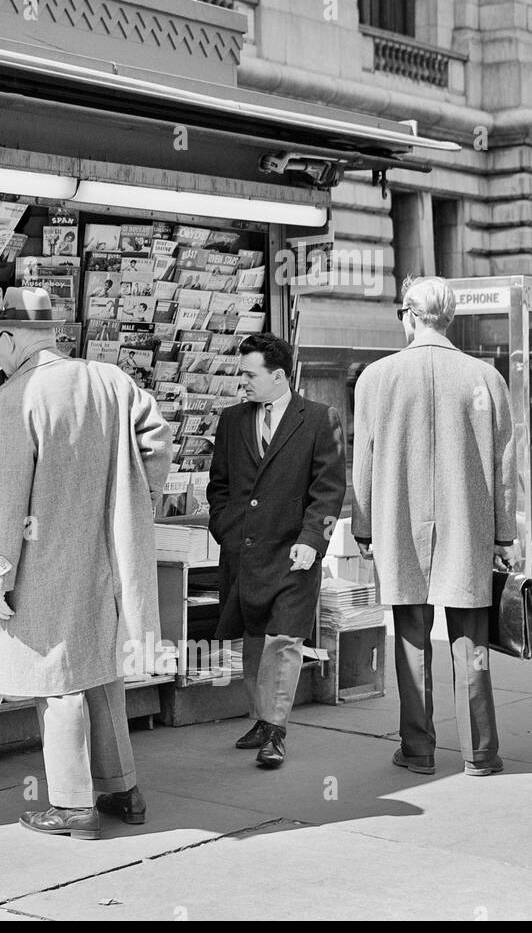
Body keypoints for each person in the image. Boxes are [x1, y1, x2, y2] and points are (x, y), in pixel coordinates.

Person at [0, 287, 171, 839]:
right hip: (110, 550)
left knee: (56, 675)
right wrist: (133, 501)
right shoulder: (112, 380)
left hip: (44, 555)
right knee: (100, 669)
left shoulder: (17, 395)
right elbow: (156, 443)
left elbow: (7, 494)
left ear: (12, 338)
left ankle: (70, 806)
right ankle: (122, 789)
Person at [352, 276, 517, 777]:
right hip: (468, 524)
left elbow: (365, 460)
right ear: (450, 318)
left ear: (407, 314)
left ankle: (419, 749)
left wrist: (363, 528)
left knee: (410, 637)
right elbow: (505, 465)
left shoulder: (375, 377)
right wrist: (504, 535)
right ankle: (480, 754)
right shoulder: (485, 377)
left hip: (399, 522)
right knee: (471, 640)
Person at [207, 332, 346, 769]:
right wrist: (225, 530)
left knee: (284, 639)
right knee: (253, 637)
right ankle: (262, 719)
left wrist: (312, 541)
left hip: (294, 553)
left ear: (279, 375)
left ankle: (276, 730)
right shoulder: (232, 420)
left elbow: (329, 491)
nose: (242, 382)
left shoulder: (322, 419)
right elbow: (220, 486)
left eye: (250, 375)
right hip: (244, 551)